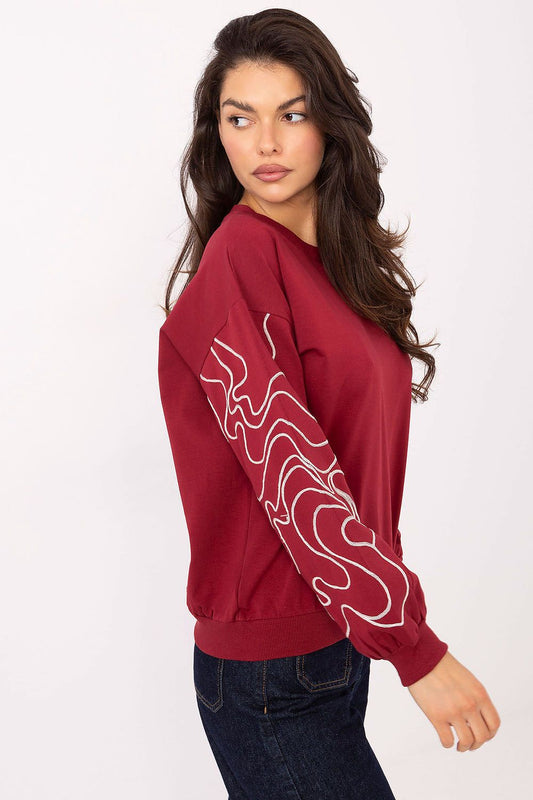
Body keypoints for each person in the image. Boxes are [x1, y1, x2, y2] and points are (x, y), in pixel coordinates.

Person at [157, 8, 501, 799]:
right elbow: (294, 473)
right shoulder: (241, 260)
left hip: (335, 639)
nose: (265, 144)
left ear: (329, 122)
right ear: (217, 134)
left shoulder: (335, 261)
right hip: (273, 669)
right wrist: (413, 646)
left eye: (291, 114)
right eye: (239, 118)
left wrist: (382, 628)